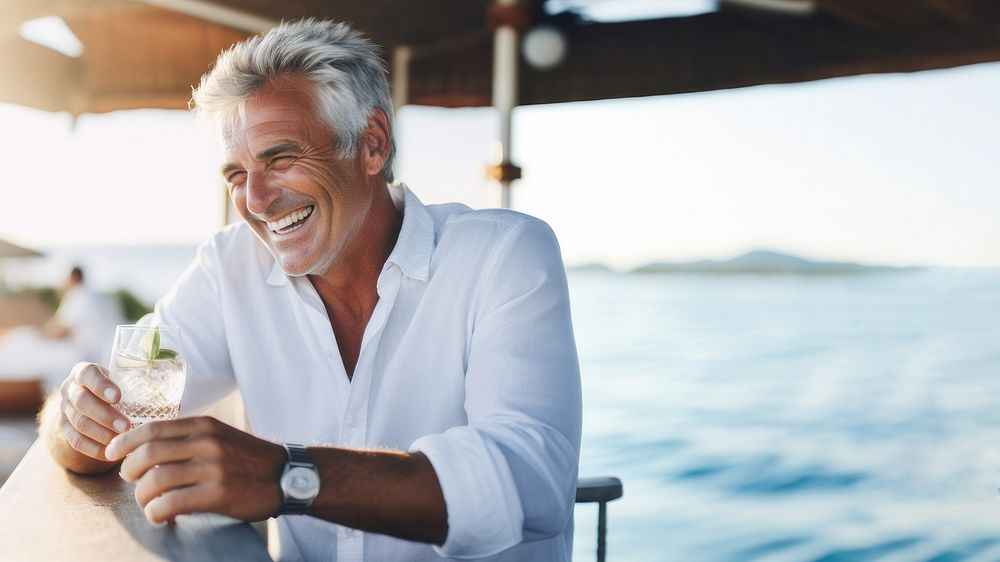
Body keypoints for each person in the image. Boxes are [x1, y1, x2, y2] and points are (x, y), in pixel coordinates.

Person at [39, 18, 581, 562]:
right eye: (235, 174)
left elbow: (531, 482)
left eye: (281, 158)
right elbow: (114, 414)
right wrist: (74, 419)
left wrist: (286, 475)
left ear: (372, 144)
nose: (254, 198)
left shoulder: (504, 254)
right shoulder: (229, 268)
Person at [0, 266, 115, 393]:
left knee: (24, 338)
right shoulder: (94, 296)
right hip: (94, 352)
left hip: (79, 351)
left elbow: (63, 330)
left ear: (73, 278)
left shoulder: (78, 296)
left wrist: (38, 333)